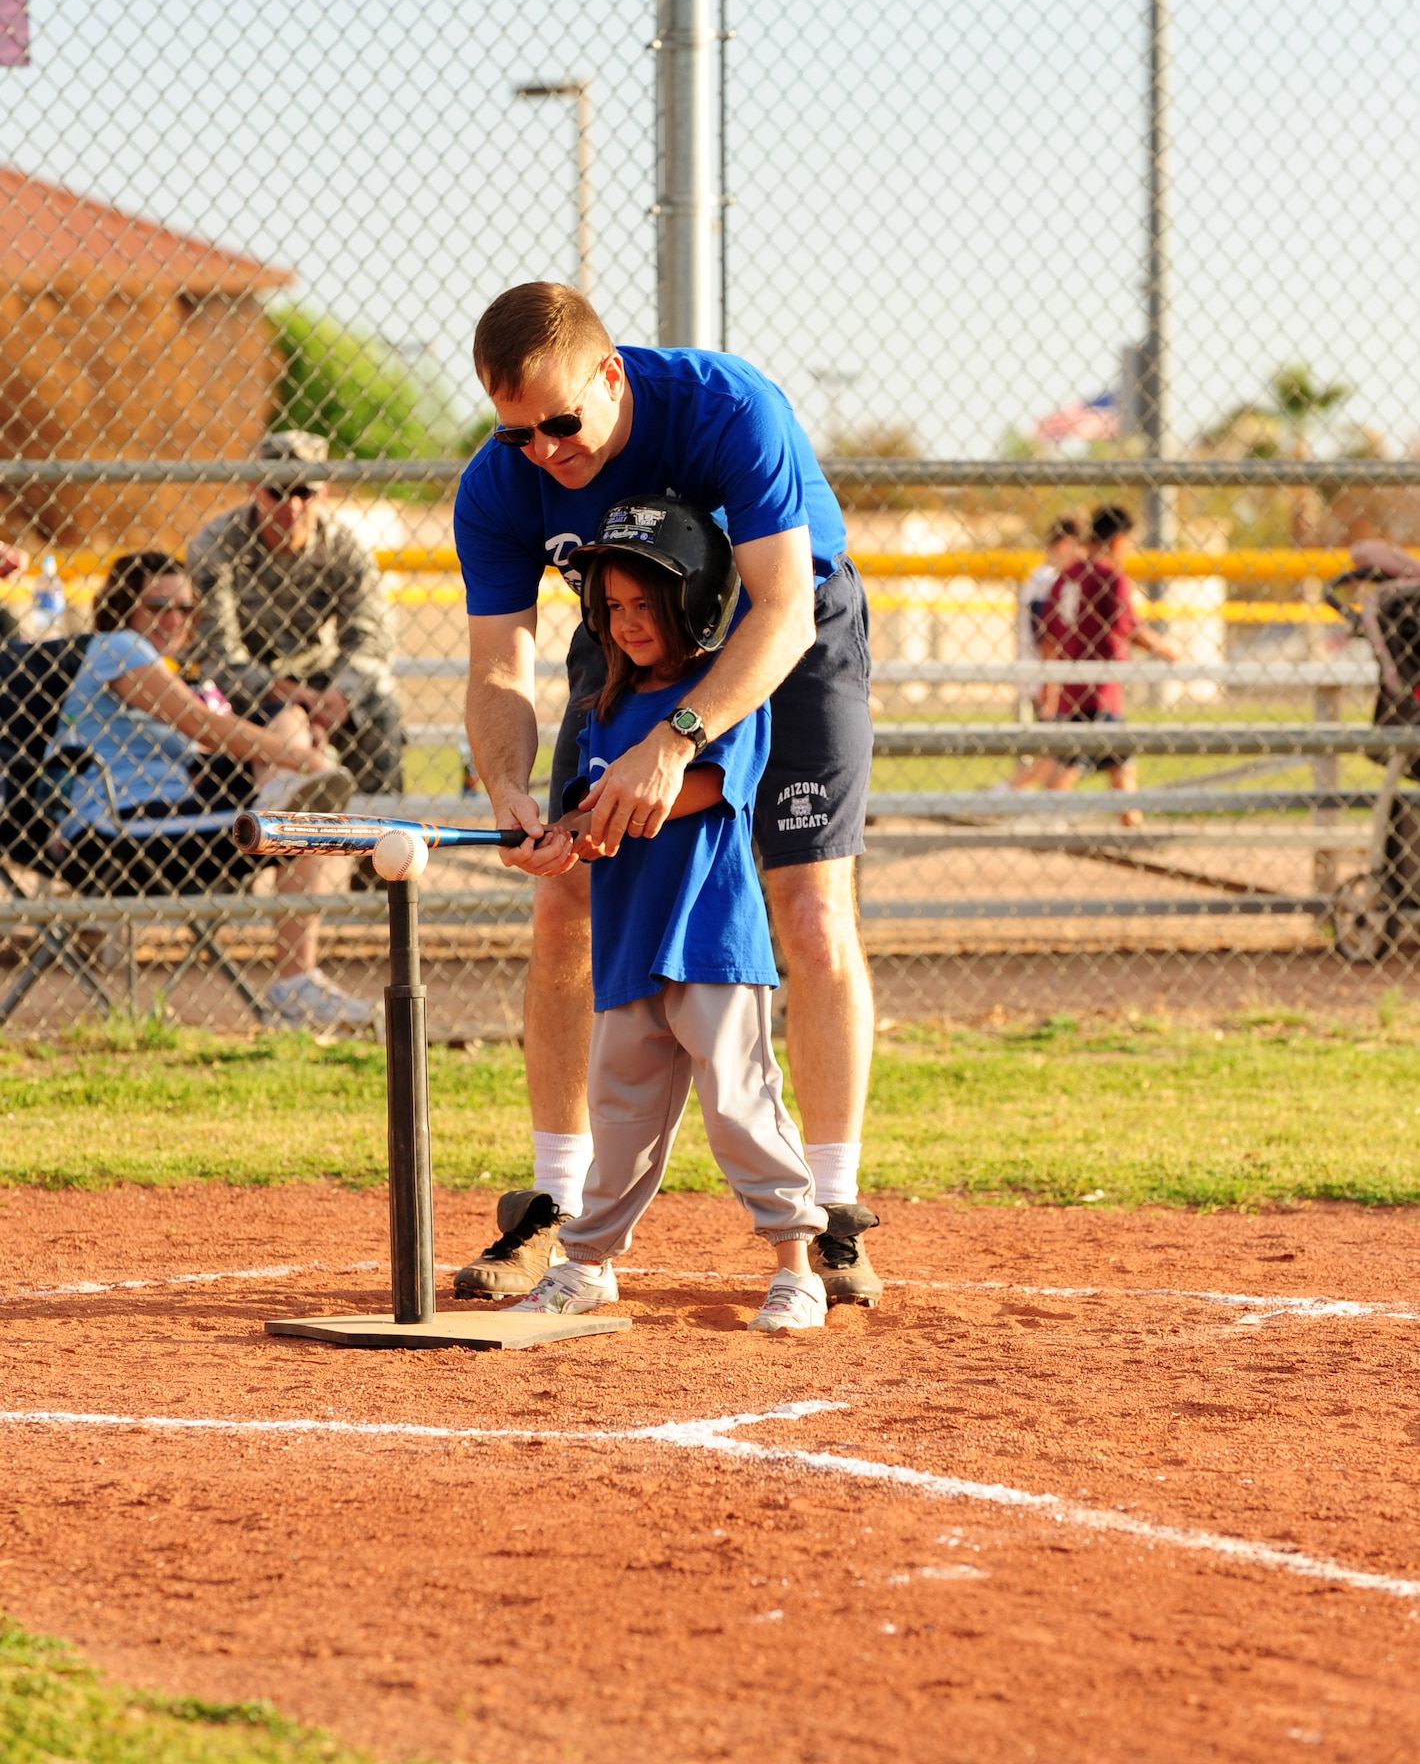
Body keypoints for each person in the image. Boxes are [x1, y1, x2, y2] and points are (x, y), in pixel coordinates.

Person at [451, 283, 880, 1308]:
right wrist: (508, 787)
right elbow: (497, 667)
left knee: (812, 912)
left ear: (611, 375)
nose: (548, 449)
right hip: (633, 632)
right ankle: (553, 1202)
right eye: (518, 433)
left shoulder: (725, 407)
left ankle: (831, 1216)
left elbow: (777, 608)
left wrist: (675, 741)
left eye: (563, 422)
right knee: (562, 898)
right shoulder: (499, 484)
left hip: (790, 625)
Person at [509, 499, 830, 1332]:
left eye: (648, 604)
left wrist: (598, 813)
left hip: (710, 940)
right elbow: (594, 820)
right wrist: (561, 838)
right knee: (618, 1118)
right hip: (628, 946)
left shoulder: (723, 697)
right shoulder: (604, 708)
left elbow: (695, 789)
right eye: (614, 608)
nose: (630, 622)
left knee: (740, 1104)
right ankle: (586, 1265)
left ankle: (799, 1267)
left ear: (697, 599)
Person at [49, 551, 372, 1031]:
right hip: (121, 826)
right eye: (157, 606)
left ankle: (284, 800)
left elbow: (211, 738)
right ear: (124, 606)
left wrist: (294, 741)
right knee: (300, 819)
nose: (173, 619)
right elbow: (202, 726)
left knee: (291, 727)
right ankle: (294, 981)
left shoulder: (166, 664)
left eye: (184, 608)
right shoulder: (118, 647)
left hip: (172, 811)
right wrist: (301, 759)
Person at [187, 431, 404, 796]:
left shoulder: (343, 548)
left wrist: (339, 697)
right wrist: (283, 694)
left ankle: (383, 843)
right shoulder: (218, 545)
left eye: (304, 492)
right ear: (255, 486)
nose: (292, 506)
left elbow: (371, 639)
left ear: (323, 493)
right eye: (278, 491)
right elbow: (215, 650)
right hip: (242, 689)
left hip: (323, 683)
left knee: (379, 707)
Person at [1037, 504, 1180, 825]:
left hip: (1073, 685)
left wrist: (1049, 683)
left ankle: (1132, 824)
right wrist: (1168, 650)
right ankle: (1041, 817)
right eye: (1128, 542)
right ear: (1117, 540)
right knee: (1076, 760)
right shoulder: (1109, 576)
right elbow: (1128, 627)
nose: (1129, 549)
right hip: (1099, 689)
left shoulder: (1067, 575)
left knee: (1119, 762)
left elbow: (1048, 635)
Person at [1006, 516, 1083, 793]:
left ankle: (1041, 808)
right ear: (1065, 544)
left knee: (1058, 753)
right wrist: (1051, 685)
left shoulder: (1042, 577)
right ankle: (1000, 795)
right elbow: (1046, 637)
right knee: (1055, 753)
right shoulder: (1047, 578)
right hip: (1046, 678)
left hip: (1043, 676)